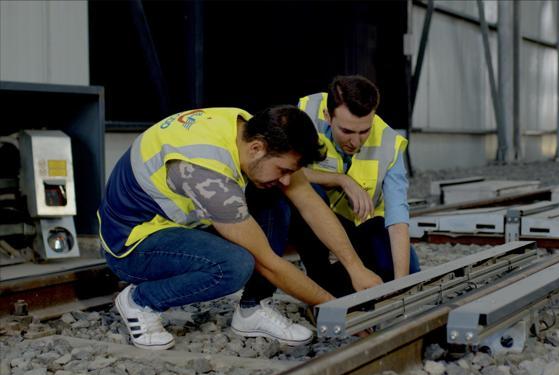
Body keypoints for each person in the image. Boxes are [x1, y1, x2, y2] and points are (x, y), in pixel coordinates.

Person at [98, 105, 382, 350]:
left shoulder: (246, 128)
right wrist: (335, 309)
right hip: (133, 243)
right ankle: (141, 302)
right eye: (283, 169)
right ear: (257, 147)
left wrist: (355, 267)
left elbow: (308, 202)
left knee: (275, 194)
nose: (286, 179)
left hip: (178, 223)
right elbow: (268, 264)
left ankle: (252, 310)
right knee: (234, 265)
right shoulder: (206, 172)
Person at [294, 75, 420, 294]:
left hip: (360, 223)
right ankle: (319, 282)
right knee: (300, 191)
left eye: (364, 131)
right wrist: (340, 179)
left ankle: (341, 286)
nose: (356, 141)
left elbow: (397, 218)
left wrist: (400, 287)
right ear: (327, 116)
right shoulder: (306, 113)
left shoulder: (390, 143)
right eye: (347, 131)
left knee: (404, 270)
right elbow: (284, 172)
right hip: (313, 219)